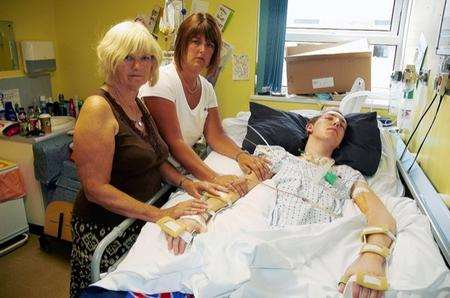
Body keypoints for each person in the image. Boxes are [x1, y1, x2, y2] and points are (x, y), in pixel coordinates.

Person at [164, 110, 397, 297]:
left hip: (319, 247)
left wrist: (372, 257)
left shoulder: (348, 175)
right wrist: (198, 216)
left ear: (341, 142)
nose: (337, 122)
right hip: (275, 242)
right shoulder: (279, 157)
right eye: (330, 117)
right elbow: (238, 188)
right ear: (310, 127)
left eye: (342, 124)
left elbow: (379, 214)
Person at [70, 20, 225, 298]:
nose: (138, 66)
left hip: (138, 219)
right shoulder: (98, 108)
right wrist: (159, 214)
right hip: (106, 228)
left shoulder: (137, 103)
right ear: (111, 59)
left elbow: (155, 158)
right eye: (128, 57)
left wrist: (185, 182)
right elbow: (95, 188)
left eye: (146, 58)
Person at [139, 13, 271, 197]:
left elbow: (216, 135)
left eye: (209, 45)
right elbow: (175, 143)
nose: (202, 49)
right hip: (156, 176)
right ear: (182, 43)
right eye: (195, 41)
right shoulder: (161, 82)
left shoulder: (206, 88)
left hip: (182, 171)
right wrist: (214, 177)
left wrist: (242, 156)